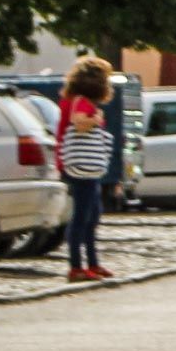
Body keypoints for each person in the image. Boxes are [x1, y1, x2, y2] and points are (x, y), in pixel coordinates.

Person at [56, 55, 117, 283]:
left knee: (92, 215)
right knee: (83, 216)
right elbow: (79, 122)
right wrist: (97, 119)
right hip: (80, 165)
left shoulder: (74, 98)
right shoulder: (82, 101)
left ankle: (92, 263)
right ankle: (76, 266)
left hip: (84, 165)